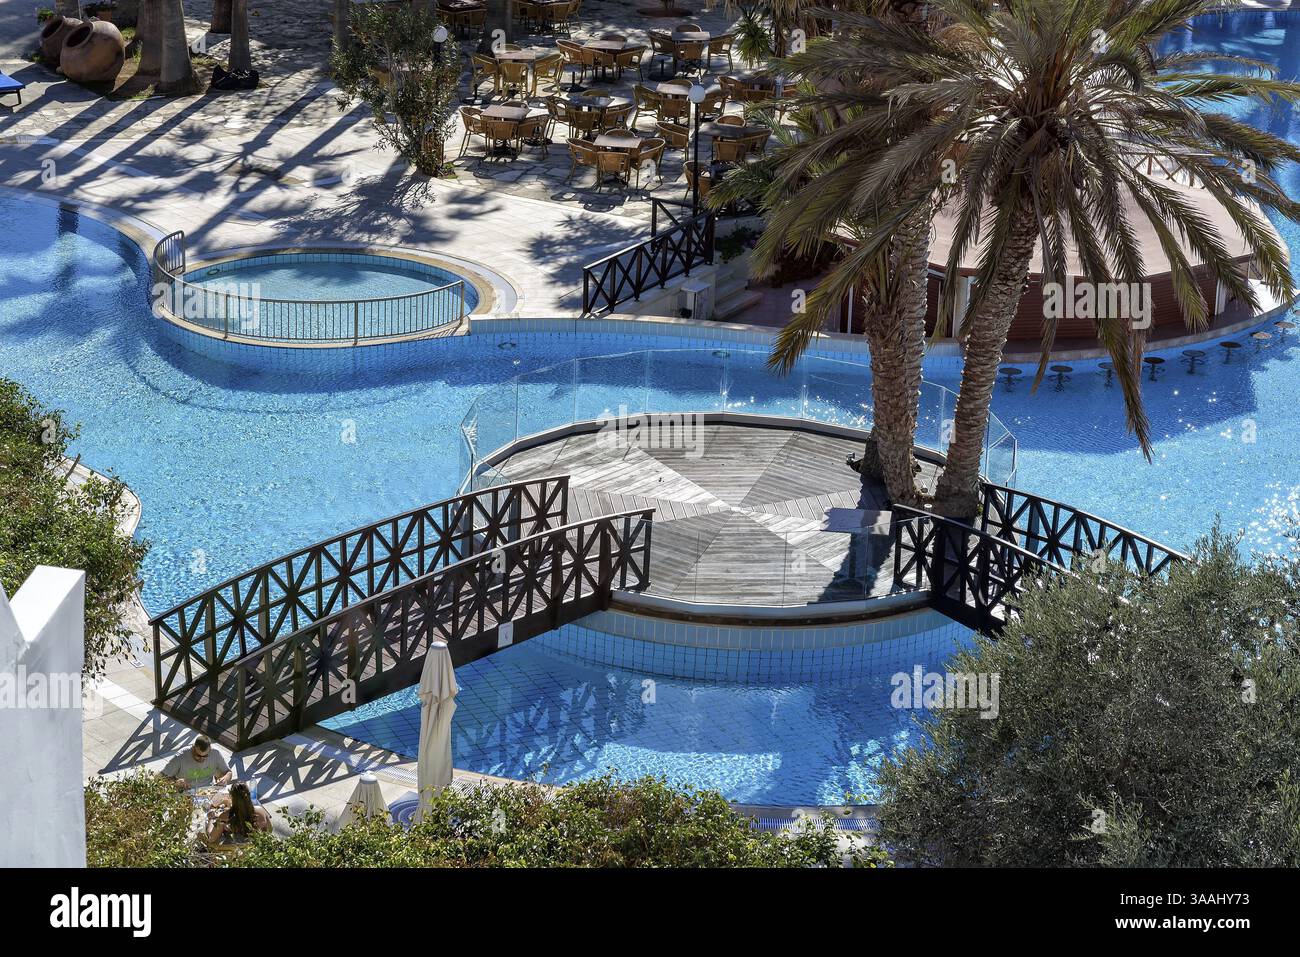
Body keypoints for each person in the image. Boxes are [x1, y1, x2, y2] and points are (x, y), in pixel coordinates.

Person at [204, 781, 270, 846]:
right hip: (256, 851)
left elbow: (211, 838)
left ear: (231, 797)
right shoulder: (261, 811)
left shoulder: (224, 816)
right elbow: (270, 830)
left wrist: (211, 819)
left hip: (234, 852)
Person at [162, 735, 232, 790]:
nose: (201, 759)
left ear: (210, 749)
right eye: (198, 755)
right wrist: (176, 783)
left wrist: (224, 779)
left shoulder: (215, 753)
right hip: (185, 792)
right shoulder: (181, 756)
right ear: (193, 748)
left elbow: (228, 773)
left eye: (205, 756)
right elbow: (161, 778)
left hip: (208, 790)